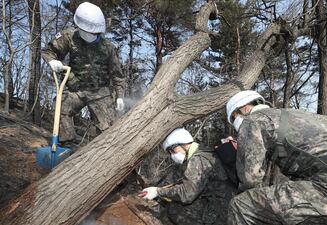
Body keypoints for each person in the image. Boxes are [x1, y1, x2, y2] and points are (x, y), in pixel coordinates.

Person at [225, 90, 327, 225]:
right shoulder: (298, 114)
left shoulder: (253, 120)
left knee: (242, 205)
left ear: (245, 108)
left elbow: (250, 178)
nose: (235, 123)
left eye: (234, 118)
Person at [42, 2, 126, 142]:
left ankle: (102, 151)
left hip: (100, 92)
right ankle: (68, 142)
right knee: (60, 107)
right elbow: (49, 51)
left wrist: (119, 96)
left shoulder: (107, 48)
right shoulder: (69, 36)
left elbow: (118, 76)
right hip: (76, 89)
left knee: (109, 130)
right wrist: (53, 61)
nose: (93, 35)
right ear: (80, 27)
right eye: (89, 32)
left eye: (95, 33)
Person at [140, 128, 236, 225]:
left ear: (182, 143)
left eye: (172, 150)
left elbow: (187, 194)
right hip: (226, 203)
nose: (172, 155)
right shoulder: (205, 151)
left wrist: (158, 192)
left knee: (175, 208)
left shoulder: (198, 159)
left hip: (222, 210)